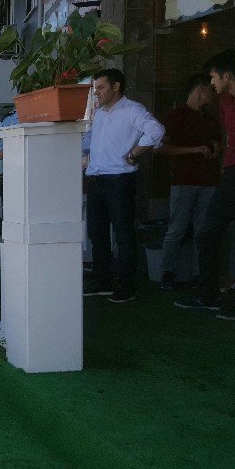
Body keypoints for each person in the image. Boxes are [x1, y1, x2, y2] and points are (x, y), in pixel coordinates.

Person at [176, 49, 235, 320]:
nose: (212, 84)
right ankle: (209, 296)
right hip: (229, 175)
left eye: (214, 78)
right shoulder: (225, 103)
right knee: (206, 233)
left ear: (227, 76)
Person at [82, 68, 165, 303]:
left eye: (100, 87)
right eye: (95, 87)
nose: (96, 92)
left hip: (119, 181)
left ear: (116, 87)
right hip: (96, 180)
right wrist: (85, 156)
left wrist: (135, 152)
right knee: (97, 235)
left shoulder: (132, 110)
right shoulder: (99, 114)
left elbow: (156, 130)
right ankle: (102, 281)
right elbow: (90, 141)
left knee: (123, 234)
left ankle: (127, 286)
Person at [154, 74, 221, 290]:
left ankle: (199, 274)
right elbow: (160, 147)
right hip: (184, 180)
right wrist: (194, 150)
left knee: (202, 230)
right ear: (200, 89)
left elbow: (218, 142)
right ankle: (167, 272)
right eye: (210, 88)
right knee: (177, 228)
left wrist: (215, 148)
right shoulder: (177, 116)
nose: (214, 92)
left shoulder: (210, 118)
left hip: (209, 181)